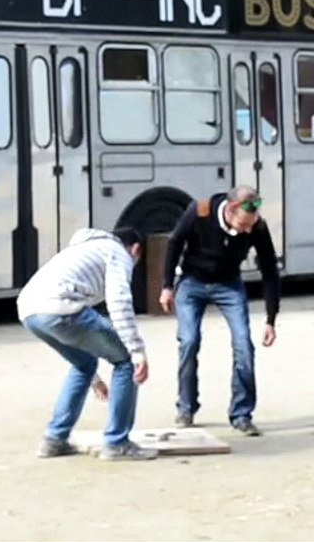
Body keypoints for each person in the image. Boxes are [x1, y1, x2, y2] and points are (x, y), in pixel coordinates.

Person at [17, 226, 158, 461]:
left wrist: (94, 378)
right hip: (61, 307)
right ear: (135, 249)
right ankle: (117, 443)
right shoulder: (118, 253)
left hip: (29, 312)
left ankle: (54, 440)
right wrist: (137, 352)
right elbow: (119, 301)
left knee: (84, 364)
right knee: (125, 362)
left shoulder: (84, 248)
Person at [159, 185, 280, 437]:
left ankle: (241, 414)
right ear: (231, 209)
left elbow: (270, 271)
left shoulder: (256, 226)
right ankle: (186, 407)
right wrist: (167, 286)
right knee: (189, 341)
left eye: (250, 225)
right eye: (242, 224)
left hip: (228, 285)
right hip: (192, 282)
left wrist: (270, 319)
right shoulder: (200, 211)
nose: (246, 231)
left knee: (244, 346)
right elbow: (174, 243)